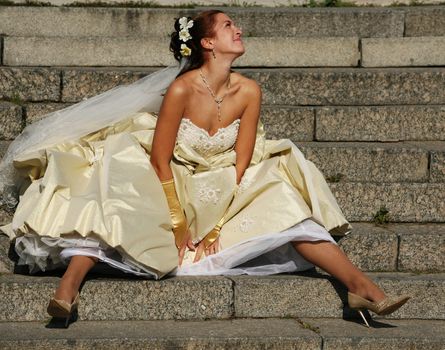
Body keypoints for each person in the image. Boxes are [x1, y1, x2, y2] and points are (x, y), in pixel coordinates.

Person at [0, 10, 409, 328]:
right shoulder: (182, 88)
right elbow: (159, 158)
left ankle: (362, 289)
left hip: (222, 179)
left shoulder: (249, 90)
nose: (240, 30)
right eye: (229, 25)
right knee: (117, 198)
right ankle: (67, 291)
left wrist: (214, 225)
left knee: (283, 201)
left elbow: (244, 158)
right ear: (209, 42)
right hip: (171, 174)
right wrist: (179, 221)